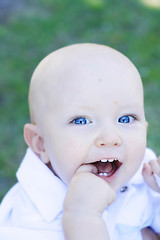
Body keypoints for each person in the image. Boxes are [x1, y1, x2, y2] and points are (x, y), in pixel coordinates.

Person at [0, 43, 159, 240]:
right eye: (81, 121)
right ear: (41, 143)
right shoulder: (28, 223)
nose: (110, 138)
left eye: (125, 119)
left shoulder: (143, 173)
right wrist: (82, 216)